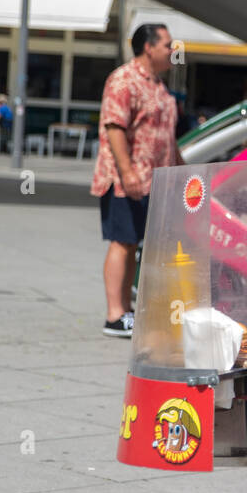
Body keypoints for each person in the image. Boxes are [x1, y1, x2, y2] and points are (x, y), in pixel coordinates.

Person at [90, 23, 183, 337]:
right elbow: (114, 127)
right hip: (125, 179)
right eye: (168, 45)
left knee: (134, 244)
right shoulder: (124, 79)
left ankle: (127, 312)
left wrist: (183, 171)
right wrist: (127, 172)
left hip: (155, 182)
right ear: (149, 47)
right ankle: (114, 314)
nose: (173, 51)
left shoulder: (158, 86)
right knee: (123, 240)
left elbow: (167, 138)